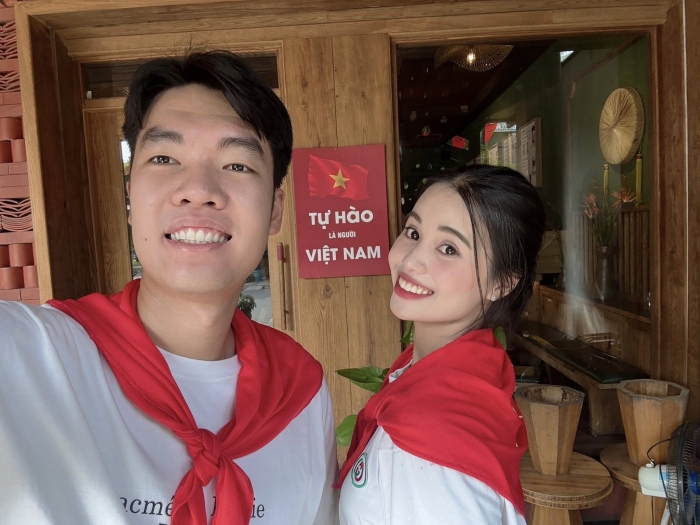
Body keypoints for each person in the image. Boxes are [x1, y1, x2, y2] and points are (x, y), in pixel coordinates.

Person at [0, 51, 337, 525]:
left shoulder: (300, 392)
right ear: (130, 195)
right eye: (164, 158)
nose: (198, 189)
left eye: (237, 165)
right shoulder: (31, 359)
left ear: (275, 210)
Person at [338, 165, 546, 524]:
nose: (410, 260)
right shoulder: (462, 382)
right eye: (413, 232)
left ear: (501, 283)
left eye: (448, 248)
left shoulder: (431, 443)